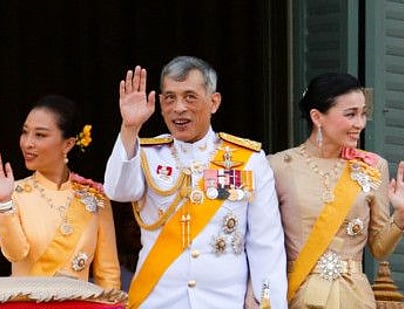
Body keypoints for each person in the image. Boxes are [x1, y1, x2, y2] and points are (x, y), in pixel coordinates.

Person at [103, 56, 287, 308]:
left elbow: (266, 244)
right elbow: (118, 190)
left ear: (214, 102)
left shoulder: (248, 160)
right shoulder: (146, 154)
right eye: (170, 98)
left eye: (190, 97)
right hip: (158, 301)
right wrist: (129, 128)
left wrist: (267, 302)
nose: (179, 107)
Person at [267, 72, 404, 308]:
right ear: (317, 117)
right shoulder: (277, 166)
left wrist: (401, 214)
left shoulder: (372, 166)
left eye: (363, 114)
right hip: (299, 295)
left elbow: (380, 250)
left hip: (354, 297)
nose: (359, 124)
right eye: (350, 114)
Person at [0, 95, 121, 290]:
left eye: (40, 135)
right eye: (25, 132)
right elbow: (15, 253)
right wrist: (3, 201)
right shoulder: (14, 192)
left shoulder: (94, 197)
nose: (28, 143)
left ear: (68, 144)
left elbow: (108, 276)